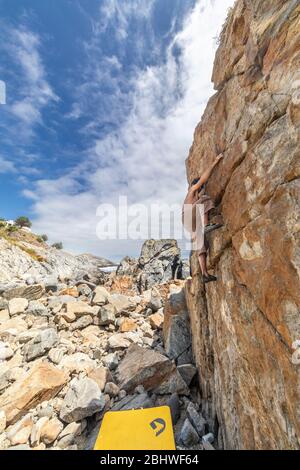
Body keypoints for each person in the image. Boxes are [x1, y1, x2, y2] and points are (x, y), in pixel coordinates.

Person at [182, 153, 224, 283]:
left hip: (189, 222)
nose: (201, 189)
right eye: (201, 187)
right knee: (205, 199)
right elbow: (204, 178)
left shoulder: (193, 198)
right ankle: (206, 225)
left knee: (201, 244)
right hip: (188, 217)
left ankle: (204, 274)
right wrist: (215, 161)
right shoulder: (192, 190)